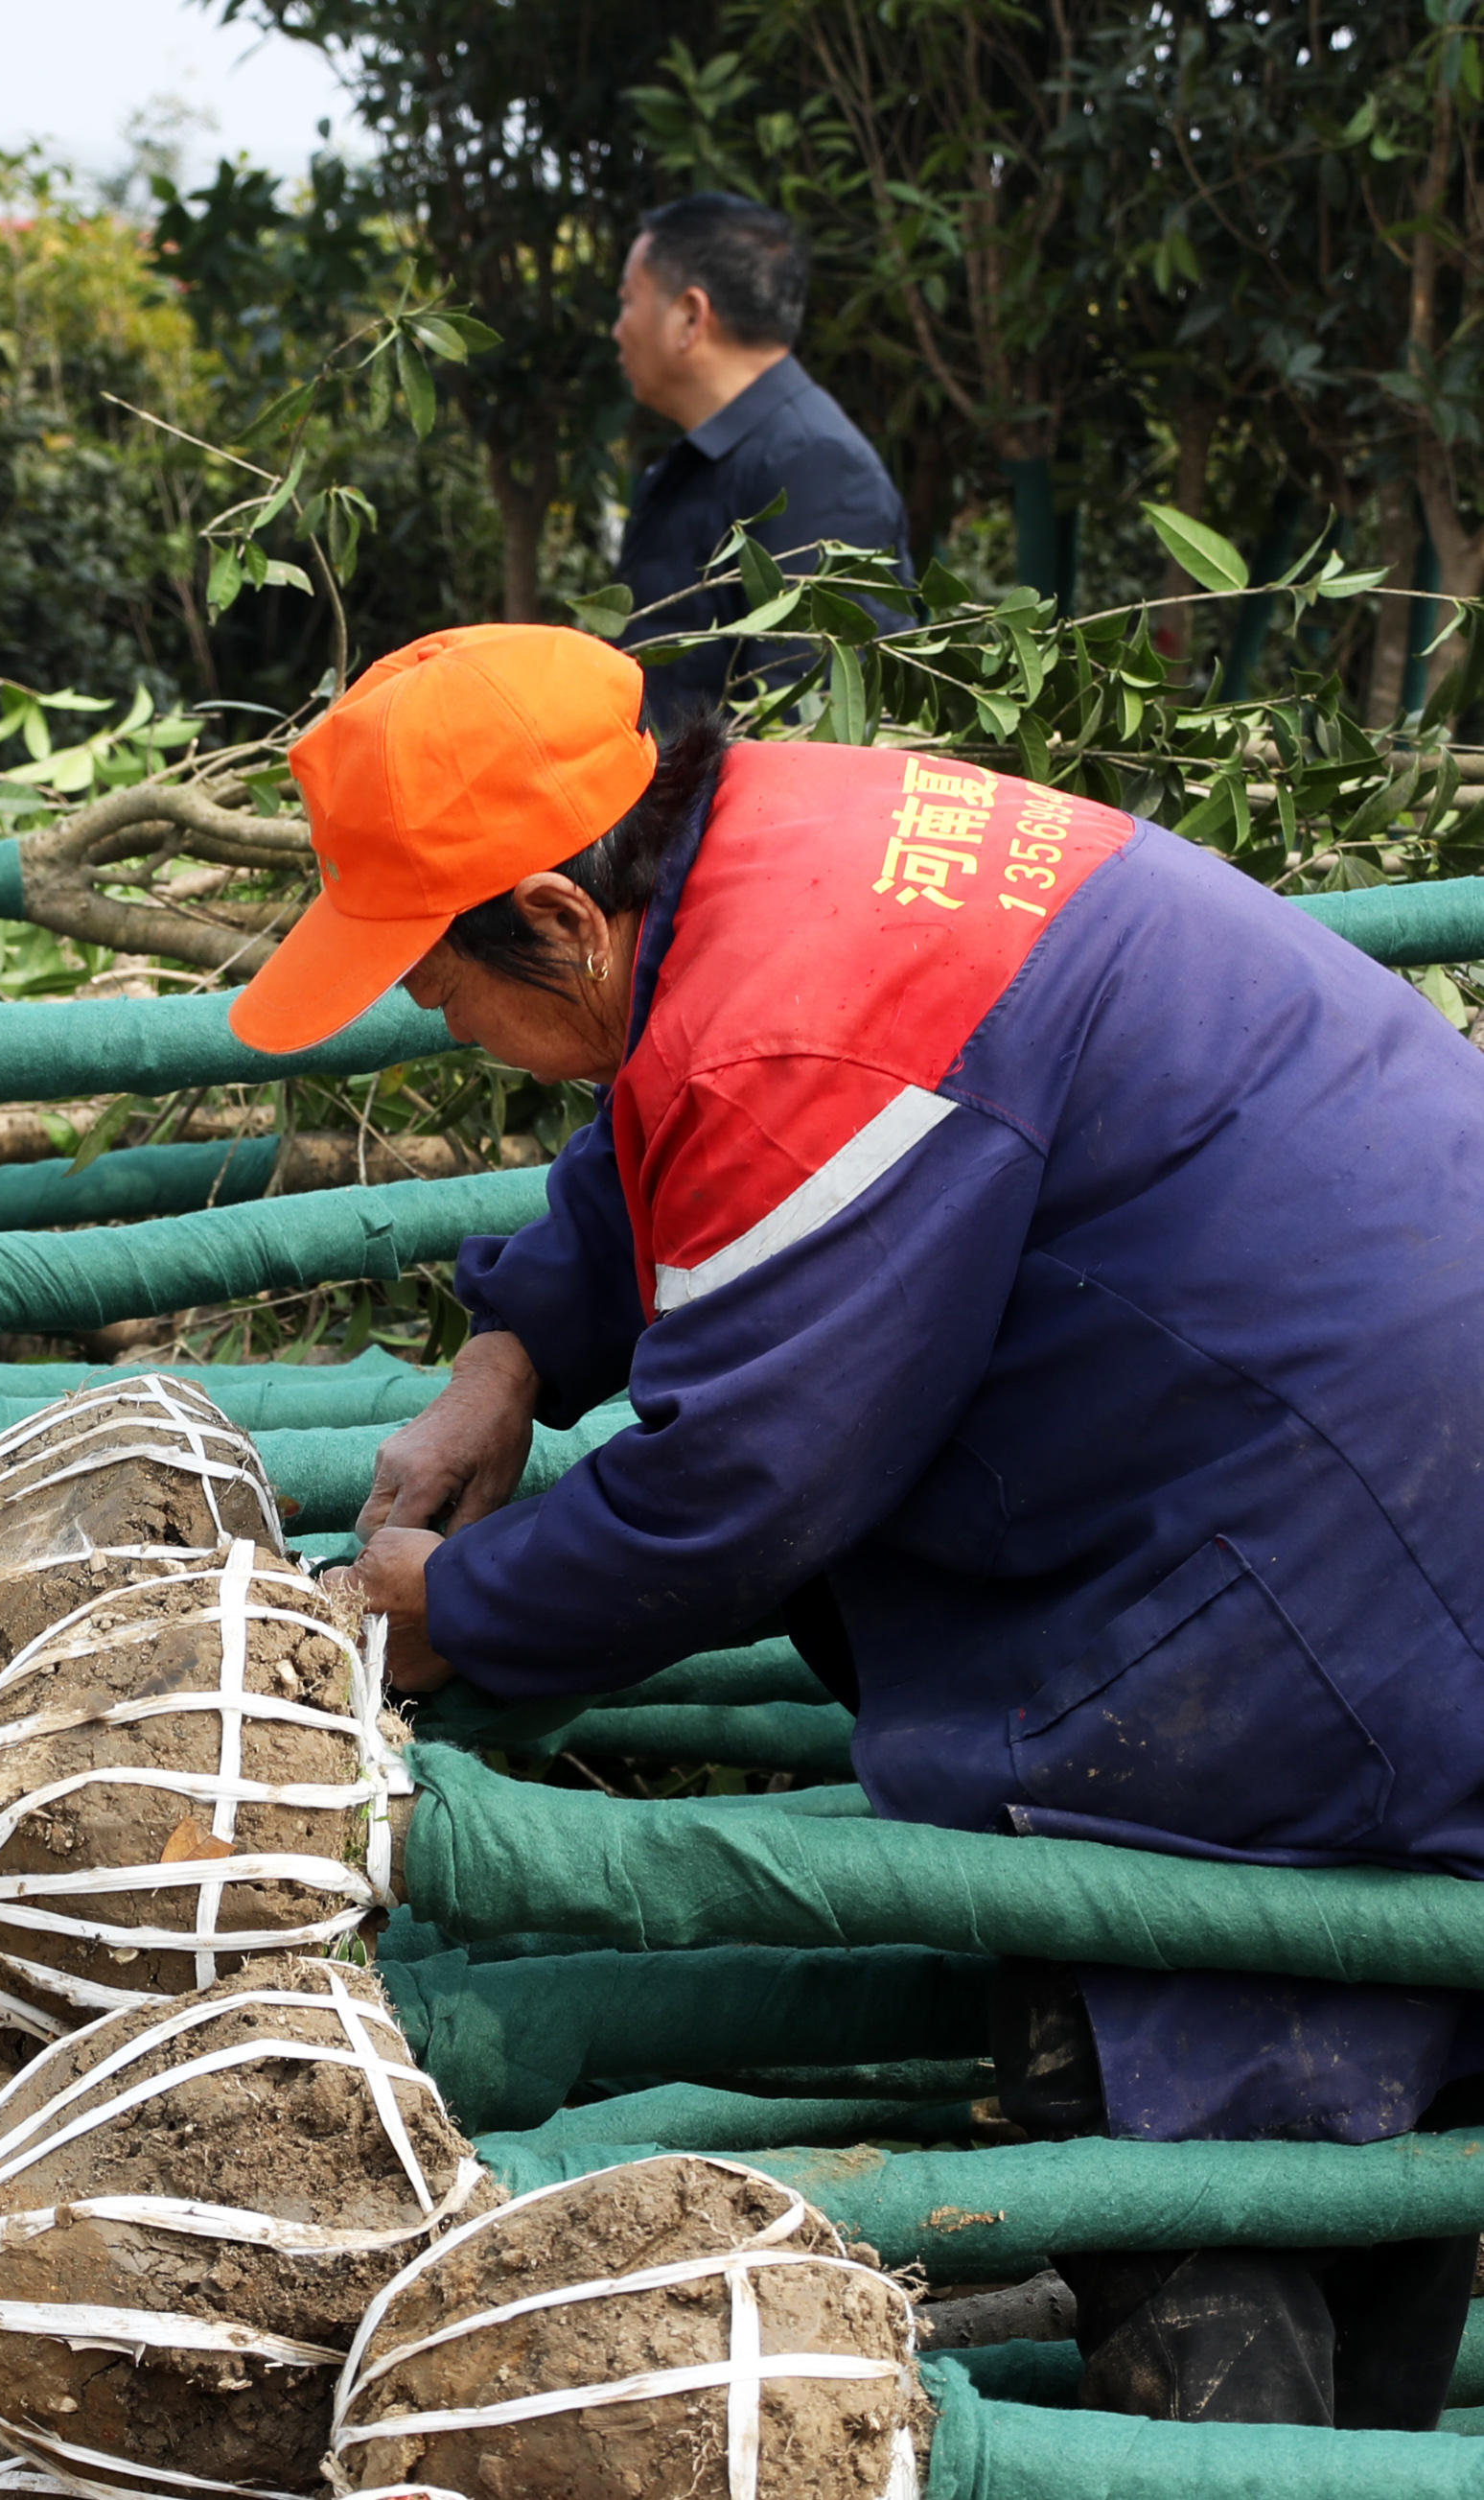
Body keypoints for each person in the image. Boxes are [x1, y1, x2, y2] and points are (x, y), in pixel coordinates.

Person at [235, 623, 1484, 2432]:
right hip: (1361, 1409)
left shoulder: (791, 1033)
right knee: (1354, 2030)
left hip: (1333, 1511)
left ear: (563, 918)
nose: (460, 1035)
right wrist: (511, 1352)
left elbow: (740, 1491)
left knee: (1198, 2028)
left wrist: (451, 1611)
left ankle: (1222, 2461)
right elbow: (660, 1105)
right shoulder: (781, 831)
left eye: (444, 989)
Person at [609, 194, 906, 722]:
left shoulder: (816, 468)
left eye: (628, 301)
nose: (617, 329)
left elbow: (808, 727)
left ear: (690, 316)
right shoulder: (700, 462)